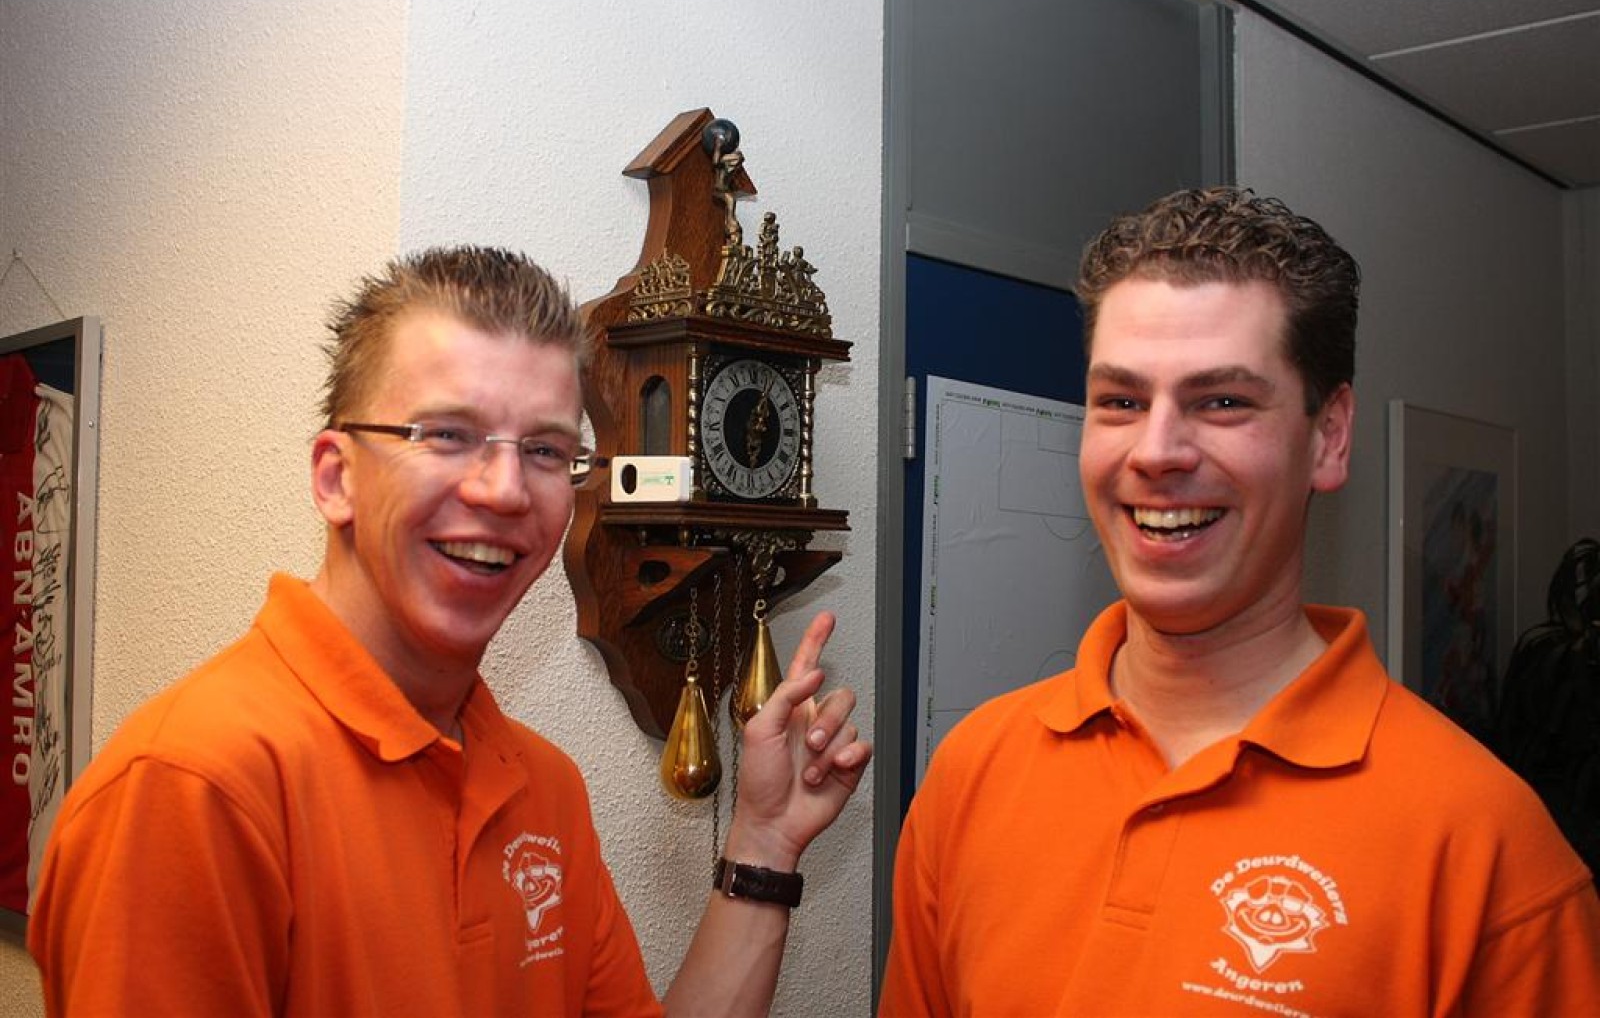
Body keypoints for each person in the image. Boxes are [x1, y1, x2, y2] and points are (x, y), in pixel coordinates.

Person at [27, 246, 872, 1016]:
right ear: (335, 478)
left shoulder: (540, 786)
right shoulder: (192, 790)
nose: (504, 490)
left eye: (546, 451)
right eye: (446, 435)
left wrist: (764, 843)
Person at [879, 187, 1600, 1015]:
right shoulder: (974, 773)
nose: (1156, 452)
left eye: (1222, 401)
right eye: (1121, 401)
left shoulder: (1486, 848)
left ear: (1329, 437)